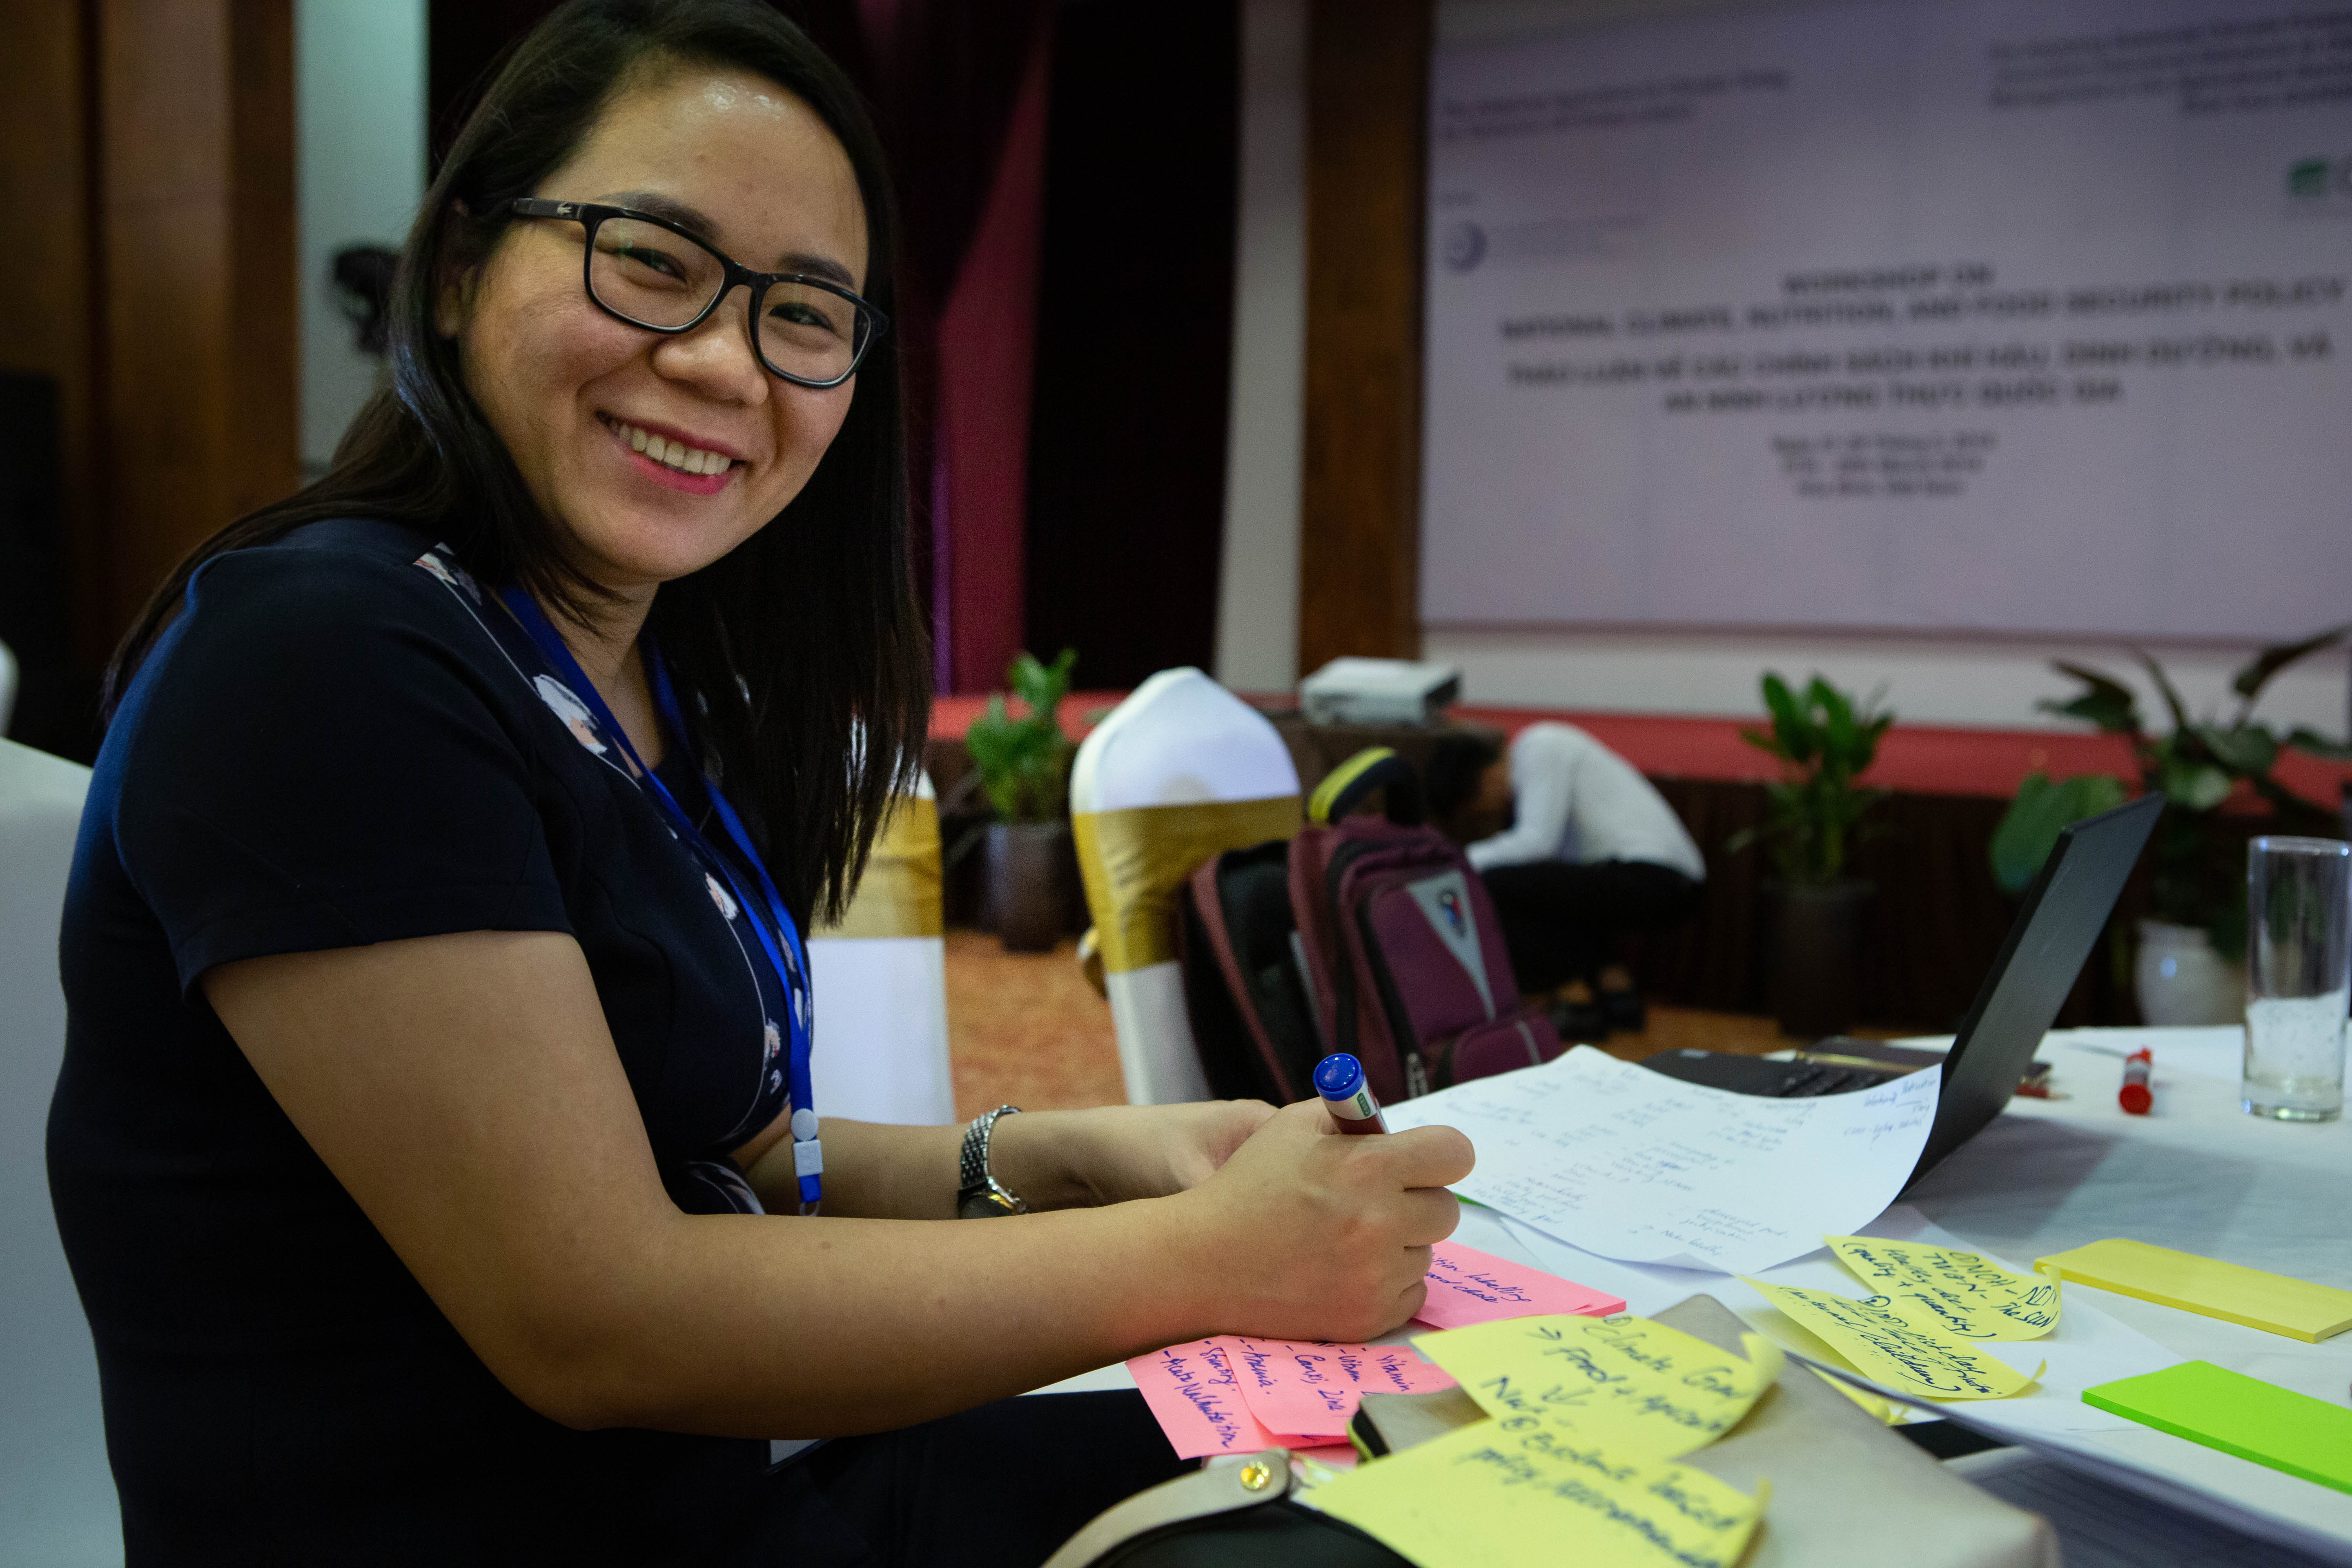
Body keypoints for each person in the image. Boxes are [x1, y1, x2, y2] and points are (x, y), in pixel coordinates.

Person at [45, 4, 1473, 1563]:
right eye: (651, 261)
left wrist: (1050, 1155)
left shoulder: (657, 679)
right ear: (456, 270)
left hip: (715, 1501)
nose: (724, 362)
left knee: (1405, 1456)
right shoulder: (320, 659)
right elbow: (599, 1315)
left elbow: (719, 1146)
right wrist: (1207, 1258)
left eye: (804, 313)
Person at [1425, 723, 1704, 1037]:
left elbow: (1536, 841)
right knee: (1540, 894)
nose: (1485, 814)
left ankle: (1570, 998)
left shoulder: (1539, 745)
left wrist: (1456, 862)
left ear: (1486, 778)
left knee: (1496, 885)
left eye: (1476, 808)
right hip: (1654, 878)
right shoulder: (1536, 761)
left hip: (1659, 877)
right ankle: (1610, 991)